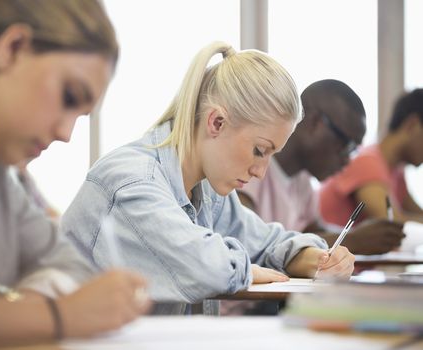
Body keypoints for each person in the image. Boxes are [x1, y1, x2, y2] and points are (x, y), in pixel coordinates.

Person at [61, 42, 355, 316]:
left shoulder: (207, 191)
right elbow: (204, 267)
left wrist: (315, 259)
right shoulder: (133, 181)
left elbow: (266, 243)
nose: (260, 171)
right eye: (259, 150)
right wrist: (248, 270)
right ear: (217, 122)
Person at [0, 1, 150, 348]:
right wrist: (54, 316)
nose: (66, 133)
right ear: (12, 49)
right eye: (69, 97)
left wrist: (23, 314)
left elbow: (70, 266)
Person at [237, 79, 405, 256]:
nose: (348, 160)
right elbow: (248, 240)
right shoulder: (252, 164)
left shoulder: (302, 181)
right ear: (314, 122)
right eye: (347, 145)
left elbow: (314, 232)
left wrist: (362, 236)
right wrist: (352, 240)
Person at [320, 88, 423, 226]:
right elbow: (393, 224)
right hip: (324, 246)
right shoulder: (366, 161)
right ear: (412, 125)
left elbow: (417, 214)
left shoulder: (396, 173)